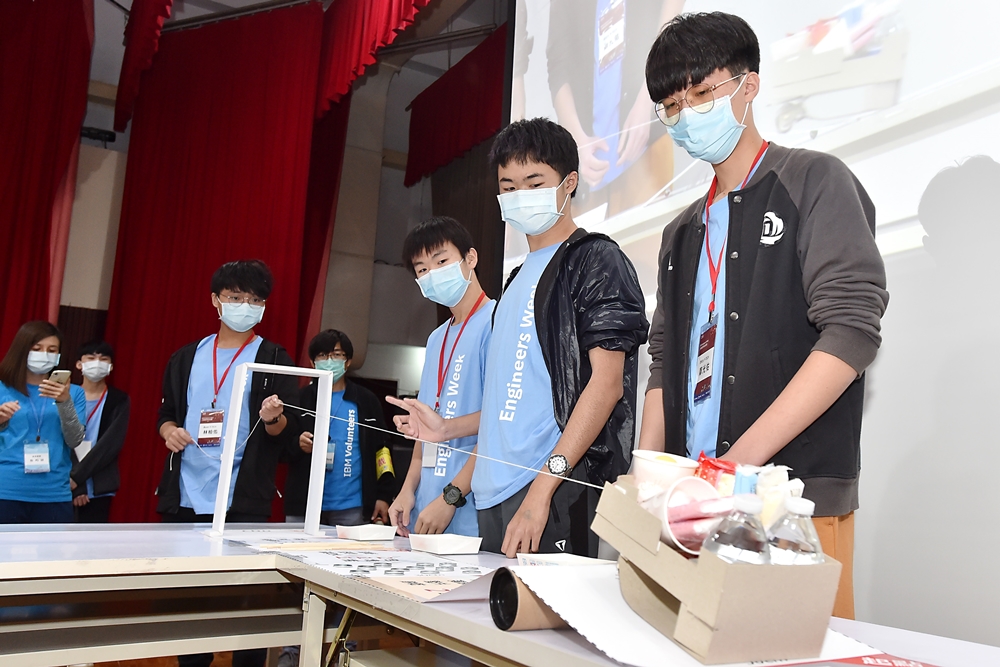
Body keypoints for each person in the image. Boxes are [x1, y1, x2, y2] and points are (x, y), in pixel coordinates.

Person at [637, 13, 889, 619]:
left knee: (798, 649)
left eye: (702, 94)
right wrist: (646, 477)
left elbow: (851, 332)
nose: (686, 115)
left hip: (789, 500)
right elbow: (664, 361)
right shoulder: (680, 232)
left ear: (748, 85)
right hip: (692, 503)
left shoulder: (813, 180)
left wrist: (735, 466)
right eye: (671, 106)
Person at [391, 118, 648, 558]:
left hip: (552, 492)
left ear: (569, 183)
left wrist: (542, 491)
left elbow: (606, 386)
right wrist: (448, 430)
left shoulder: (594, 259)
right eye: (508, 187)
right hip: (492, 494)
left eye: (534, 182)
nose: (519, 195)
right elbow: (505, 404)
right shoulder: (513, 282)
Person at [156, 260, 298, 667]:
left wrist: (272, 419)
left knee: (246, 602)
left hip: (243, 498)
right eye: (236, 297)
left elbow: (286, 434)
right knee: (190, 603)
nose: (245, 306)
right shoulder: (187, 356)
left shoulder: (273, 357)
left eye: (255, 300)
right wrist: (169, 431)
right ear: (215, 301)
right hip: (187, 494)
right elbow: (166, 414)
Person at [388, 217, 494, 537]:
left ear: (470, 258)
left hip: (468, 506)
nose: (432, 274)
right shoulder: (437, 338)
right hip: (426, 505)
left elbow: (500, 423)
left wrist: (451, 497)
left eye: (441, 261)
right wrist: (408, 489)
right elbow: (426, 428)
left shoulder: (496, 321)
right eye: (422, 269)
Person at [281, 329, 395, 526]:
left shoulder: (366, 400)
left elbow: (382, 450)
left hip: (353, 506)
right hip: (303, 505)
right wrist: (298, 445)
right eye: (322, 355)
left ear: (347, 361)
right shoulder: (300, 399)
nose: (329, 360)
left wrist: (384, 495)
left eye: (337, 355)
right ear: (313, 362)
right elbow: (279, 448)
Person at [0, 321, 86, 524]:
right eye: (37, 348)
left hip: (53, 493)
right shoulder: (3, 387)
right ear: (22, 350)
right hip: (7, 489)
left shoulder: (74, 393)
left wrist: (64, 402)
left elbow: (74, 440)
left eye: (52, 350)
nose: (44, 355)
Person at [70, 340, 130, 523]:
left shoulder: (119, 399)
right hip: (65, 483)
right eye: (90, 358)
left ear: (111, 366)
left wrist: (78, 479)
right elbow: (60, 440)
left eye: (103, 359)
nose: (97, 363)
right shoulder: (66, 396)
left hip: (99, 485)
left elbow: (110, 445)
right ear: (79, 364)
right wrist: (76, 486)